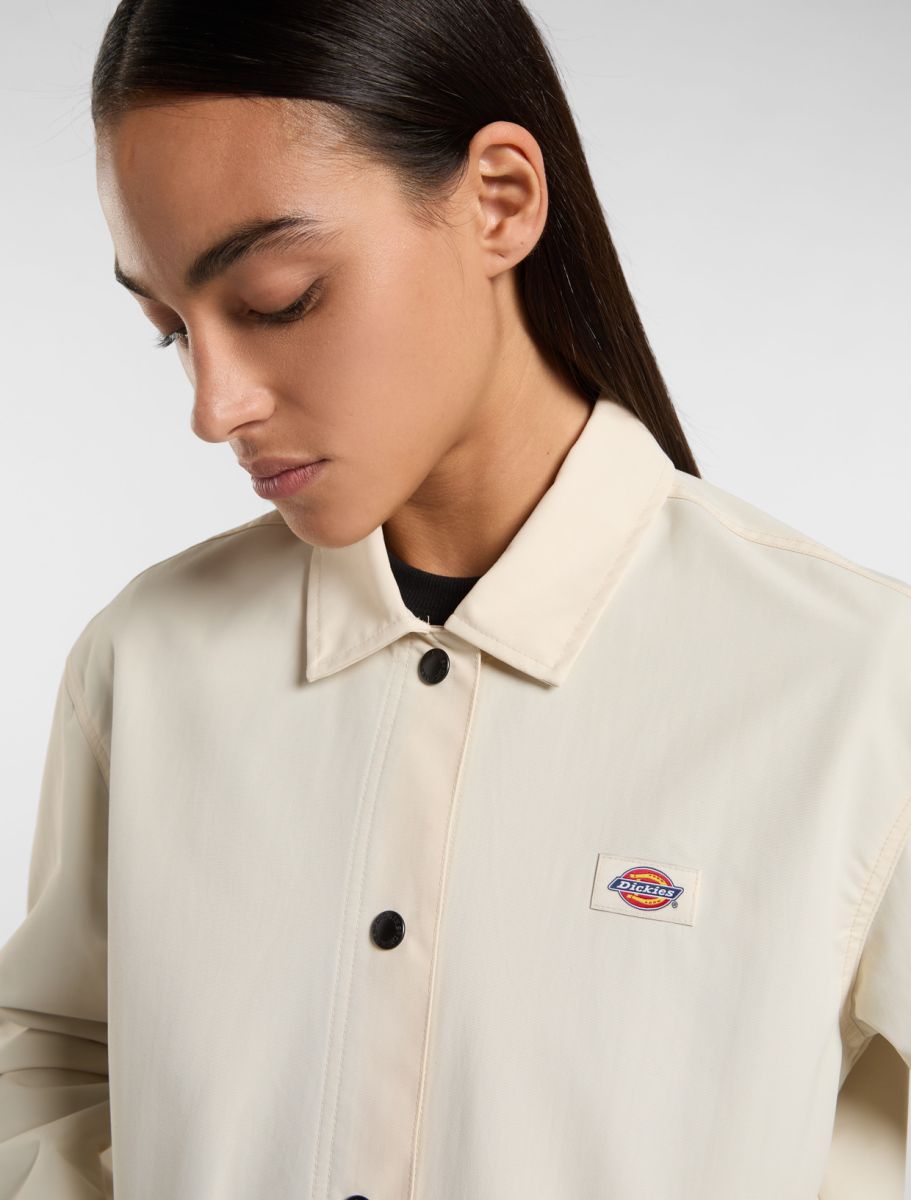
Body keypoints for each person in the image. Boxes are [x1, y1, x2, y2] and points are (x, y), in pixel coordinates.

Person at [0, 1, 908, 1197]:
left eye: (276, 298)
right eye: (169, 327)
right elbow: (52, 1060)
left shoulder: (856, 682)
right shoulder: (147, 660)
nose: (214, 407)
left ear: (498, 199)